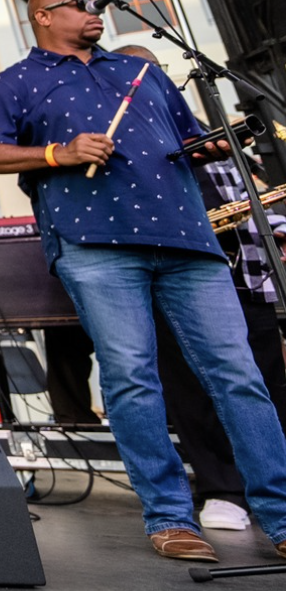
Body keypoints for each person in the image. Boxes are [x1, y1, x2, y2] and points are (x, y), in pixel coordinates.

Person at [0, 0, 286, 563]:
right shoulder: (15, 82)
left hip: (188, 238)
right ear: (43, 17)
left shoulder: (144, 73)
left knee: (239, 375)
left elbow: (185, 139)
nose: (95, 13)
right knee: (133, 378)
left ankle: (281, 516)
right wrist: (57, 153)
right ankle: (169, 517)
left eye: (96, 5)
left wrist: (205, 148)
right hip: (95, 243)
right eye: (82, 5)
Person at [114, 46, 286, 534]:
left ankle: (274, 489)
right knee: (190, 393)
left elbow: (250, 199)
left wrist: (276, 227)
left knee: (264, 385)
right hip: (171, 280)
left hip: (244, 280)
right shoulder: (124, 144)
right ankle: (222, 489)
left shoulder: (205, 135)